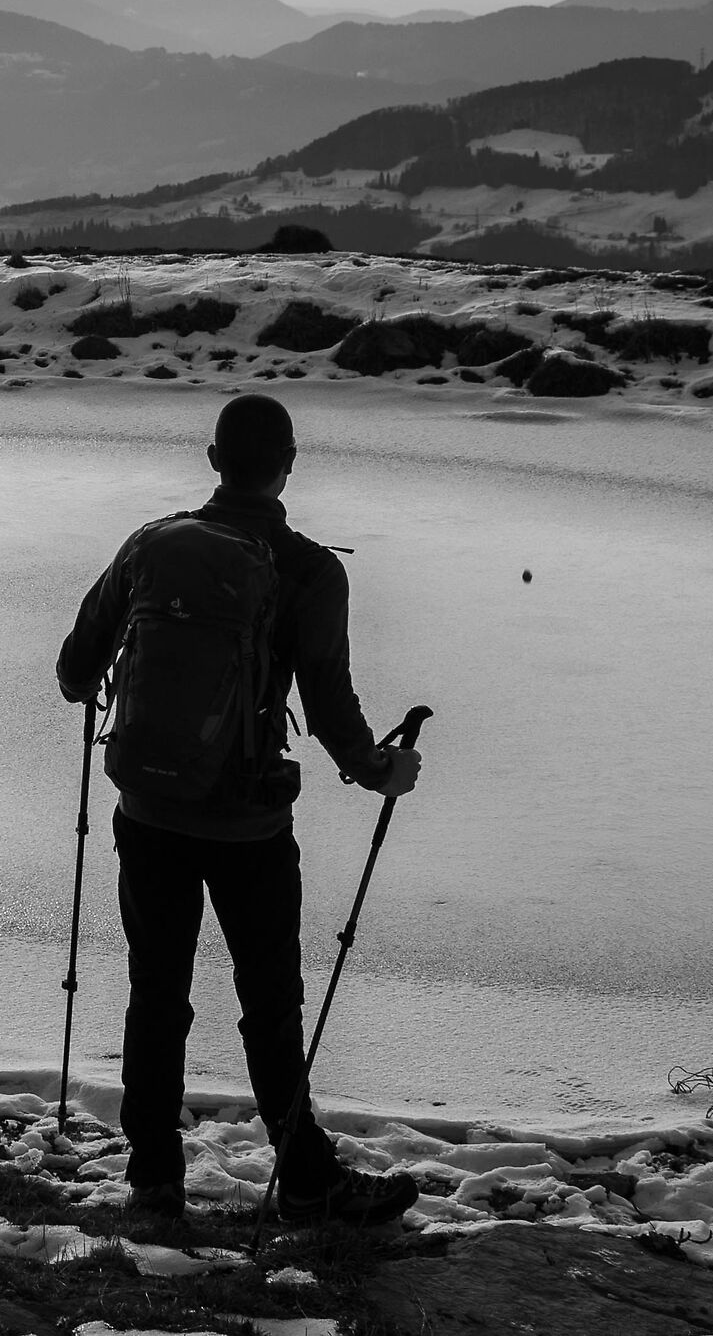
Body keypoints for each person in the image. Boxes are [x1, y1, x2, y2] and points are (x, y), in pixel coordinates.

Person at [55, 393, 422, 1227]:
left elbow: (77, 667)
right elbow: (328, 707)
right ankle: (305, 1179)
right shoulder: (310, 571)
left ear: (213, 460)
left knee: (157, 993)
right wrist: (378, 768)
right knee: (269, 1001)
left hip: (147, 810)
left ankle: (153, 1181)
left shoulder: (151, 544)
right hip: (248, 826)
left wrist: (104, 688)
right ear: (288, 464)